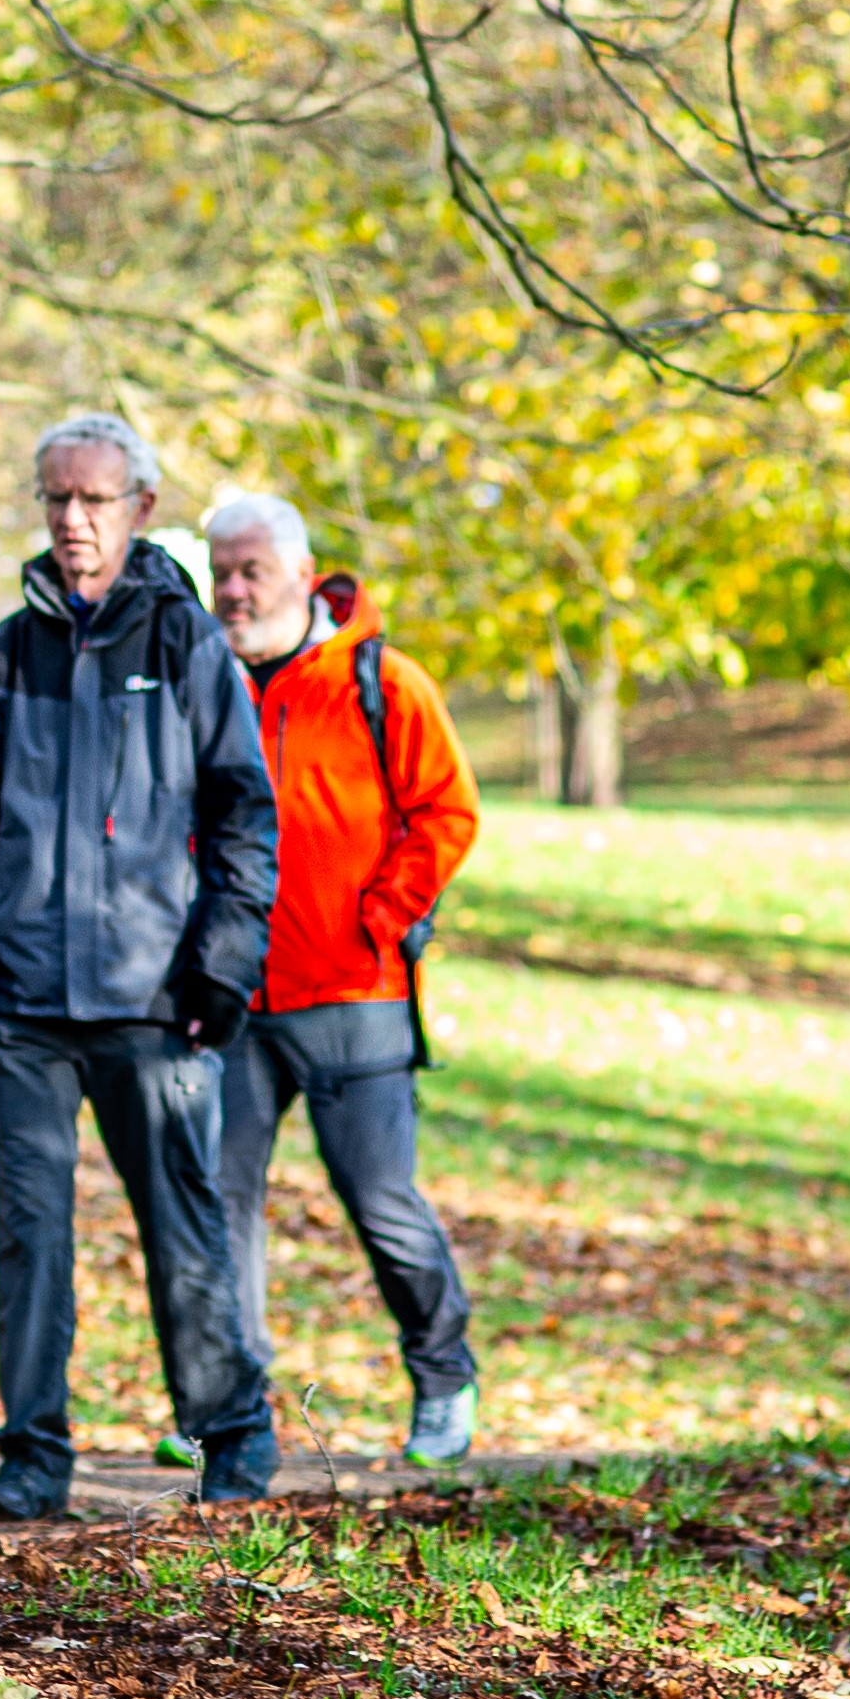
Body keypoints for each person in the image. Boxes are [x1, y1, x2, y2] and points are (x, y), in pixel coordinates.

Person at [0, 412, 282, 1522]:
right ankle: (32, 1455)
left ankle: (233, 1436)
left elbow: (243, 818)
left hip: (156, 1003)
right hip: (26, 1005)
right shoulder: (7, 649)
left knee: (184, 1228)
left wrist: (221, 968)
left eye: (94, 500)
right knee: (29, 1239)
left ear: (141, 509)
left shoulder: (187, 646)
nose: (72, 520)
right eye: (57, 499)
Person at [201, 490, 485, 1466]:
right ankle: (229, 1411)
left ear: (300, 573)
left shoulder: (379, 680)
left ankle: (443, 1376)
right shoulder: (204, 682)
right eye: (221, 574)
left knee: (380, 1202)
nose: (234, 591)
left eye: (251, 572)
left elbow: (447, 811)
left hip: (355, 997)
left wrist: (379, 919)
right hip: (230, 999)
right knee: (218, 1206)